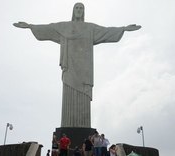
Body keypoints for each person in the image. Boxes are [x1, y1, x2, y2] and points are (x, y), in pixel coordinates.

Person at [13, 3, 141, 128]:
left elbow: (106, 31)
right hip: (69, 67)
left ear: (84, 11)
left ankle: (83, 125)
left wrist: (123, 29)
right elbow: (48, 28)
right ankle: (68, 123)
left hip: (84, 69)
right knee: (68, 92)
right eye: (77, 8)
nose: (79, 10)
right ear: (73, 11)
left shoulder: (90, 28)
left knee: (83, 95)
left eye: (81, 8)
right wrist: (30, 26)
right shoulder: (64, 27)